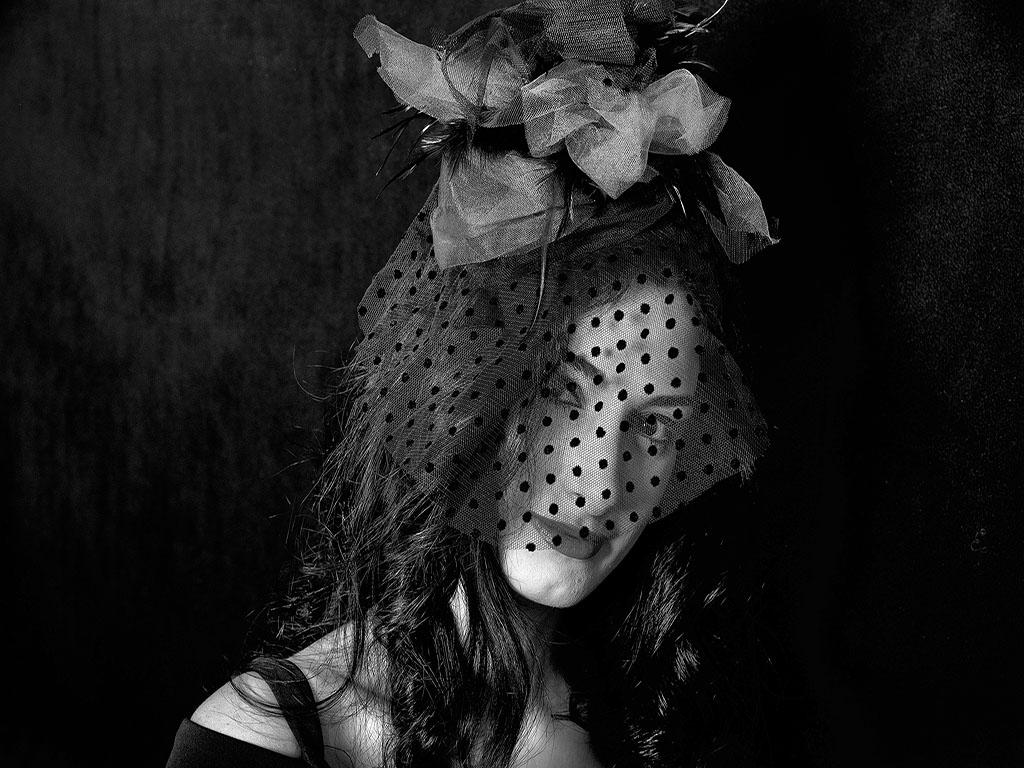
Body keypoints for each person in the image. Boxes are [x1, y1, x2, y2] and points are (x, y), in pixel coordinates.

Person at [166, 2, 778, 766]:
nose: (602, 480)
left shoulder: (664, 719)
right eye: (565, 394)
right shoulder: (280, 735)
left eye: (654, 425)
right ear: (462, 386)